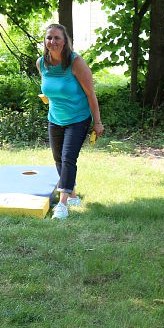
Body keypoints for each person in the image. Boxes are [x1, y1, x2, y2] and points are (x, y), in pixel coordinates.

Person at [37, 23, 104, 220]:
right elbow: (50, 88)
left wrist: (97, 122)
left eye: (57, 38)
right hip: (55, 118)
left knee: (68, 158)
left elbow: (91, 94)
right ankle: (73, 195)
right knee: (58, 159)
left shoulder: (75, 62)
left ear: (65, 41)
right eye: (49, 38)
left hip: (78, 118)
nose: (53, 41)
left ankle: (63, 203)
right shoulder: (41, 63)